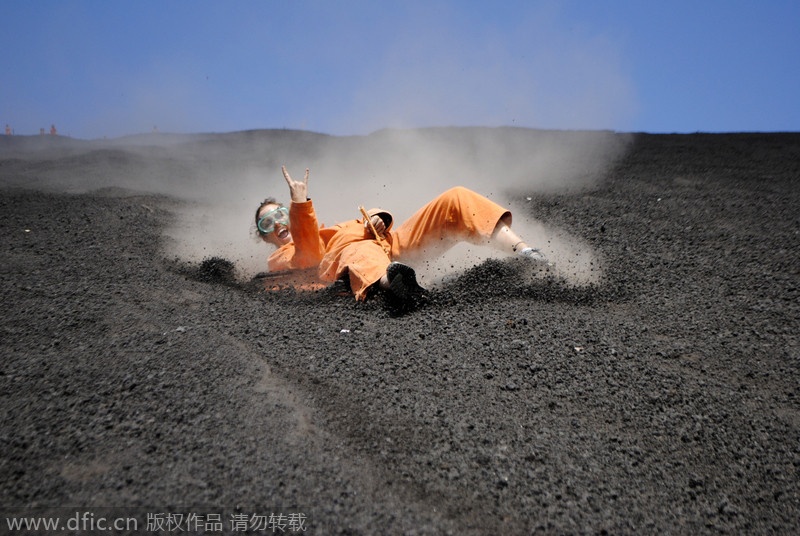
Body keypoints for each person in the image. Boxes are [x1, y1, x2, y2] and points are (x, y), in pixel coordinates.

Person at [256, 166, 550, 309]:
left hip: (393, 243)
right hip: (355, 262)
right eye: (267, 223)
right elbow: (308, 255)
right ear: (265, 237)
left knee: (455, 198)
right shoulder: (279, 258)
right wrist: (299, 204)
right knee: (359, 252)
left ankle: (524, 252)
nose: (277, 222)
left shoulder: (328, 230)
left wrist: (377, 217)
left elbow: (361, 222)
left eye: (280, 213)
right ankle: (397, 286)